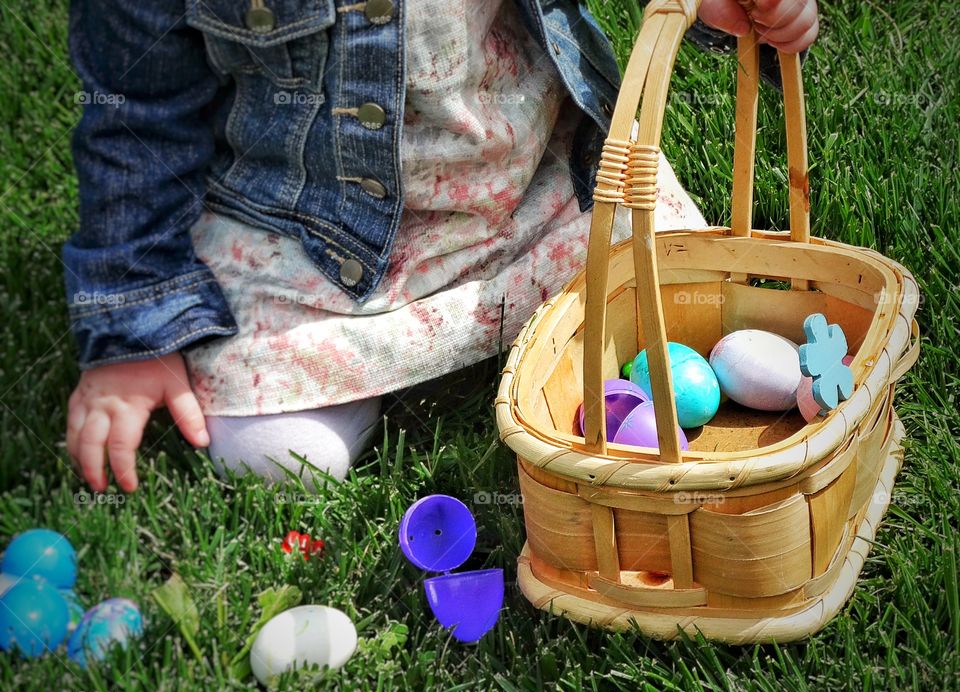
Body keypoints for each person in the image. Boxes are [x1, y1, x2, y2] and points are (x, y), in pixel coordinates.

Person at [64, 0, 819, 492]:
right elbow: (135, 113)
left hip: (526, 189)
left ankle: (509, 321)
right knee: (278, 461)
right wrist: (135, 331)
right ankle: (365, 362)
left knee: (684, 284)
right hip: (309, 239)